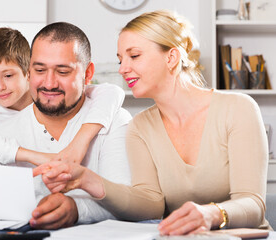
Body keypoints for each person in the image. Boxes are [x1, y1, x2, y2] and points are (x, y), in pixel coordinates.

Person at [33, 10, 270, 235]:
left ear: (172, 57)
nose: (124, 69)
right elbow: (151, 204)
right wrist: (86, 179)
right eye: (120, 60)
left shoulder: (238, 109)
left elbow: (253, 203)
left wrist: (211, 213)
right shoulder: (140, 127)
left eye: (134, 56)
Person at [0, 23, 131, 229]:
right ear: (29, 72)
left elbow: (128, 200)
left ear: (87, 73)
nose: (49, 83)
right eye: (40, 70)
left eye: (63, 71)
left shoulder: (114, 120)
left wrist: (78, 209)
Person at [0, 27, 125, 166]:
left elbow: (113, 92)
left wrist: (80, 142)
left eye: (8, 76)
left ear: (27, 73)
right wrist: (35, 157)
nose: (0, 87)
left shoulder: (49, 95)